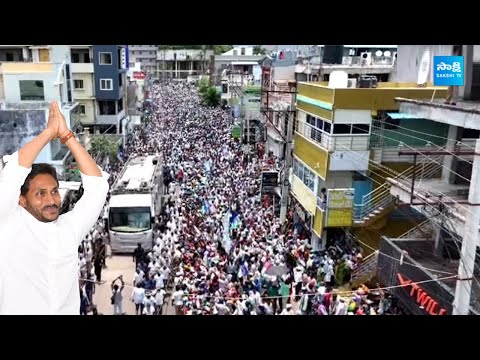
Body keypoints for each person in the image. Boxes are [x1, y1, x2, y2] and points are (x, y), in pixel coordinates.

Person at [0, 101, 109, 315]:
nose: (52, 200)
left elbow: (98, 187)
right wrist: (49, 133)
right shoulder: (7, 224)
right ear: (22, 199)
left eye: (54, 191)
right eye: (40, 193)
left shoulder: (69, 229)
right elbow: (14, 172)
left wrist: (67, 136)